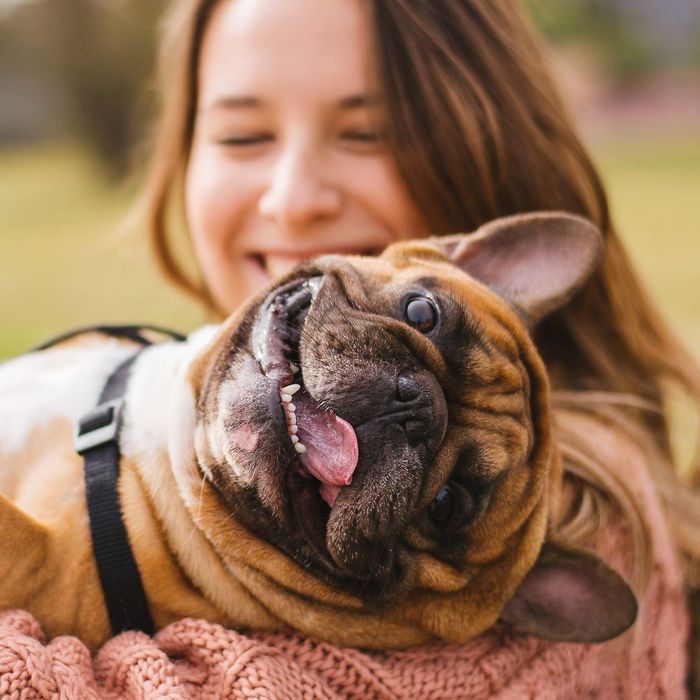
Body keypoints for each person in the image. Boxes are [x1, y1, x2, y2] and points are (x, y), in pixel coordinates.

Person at [134, 0, 700, 694]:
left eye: (367, 134)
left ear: (493, 155)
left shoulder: (559, 521)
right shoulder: (179, 401)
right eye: (244, 136)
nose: (292, 199)